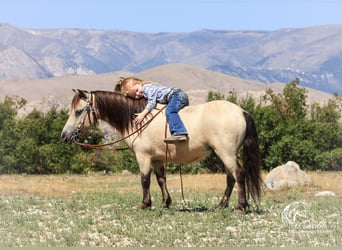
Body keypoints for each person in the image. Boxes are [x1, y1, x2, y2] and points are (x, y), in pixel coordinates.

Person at [115, 77, 189, 143]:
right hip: (176, 96)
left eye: (137, 90)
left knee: (170, 111)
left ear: (139, 83)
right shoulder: (144, 90)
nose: (138, 94)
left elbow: (152, 103)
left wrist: (142, 114)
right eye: (135, 95)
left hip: (176, 95)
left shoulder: (147, 88)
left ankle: (180, 133)